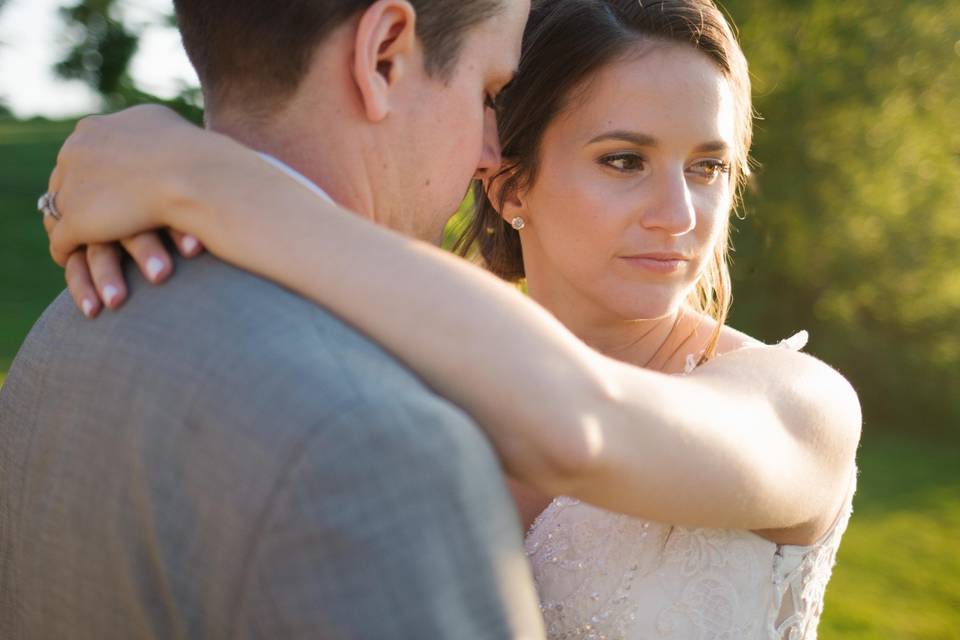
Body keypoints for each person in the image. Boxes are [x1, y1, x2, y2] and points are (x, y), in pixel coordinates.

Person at [40, 0, 863, 638]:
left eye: (709, 166)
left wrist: (208, 179)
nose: (681, 213)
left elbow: (584, 422)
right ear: (508, 185)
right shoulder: (382, 376)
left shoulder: (803, 407)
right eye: (624, 160)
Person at [0, 1, 547, 638]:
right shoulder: (382, 440)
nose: (491, 153)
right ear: (382, 55)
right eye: (488, 92)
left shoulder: (70, 319)